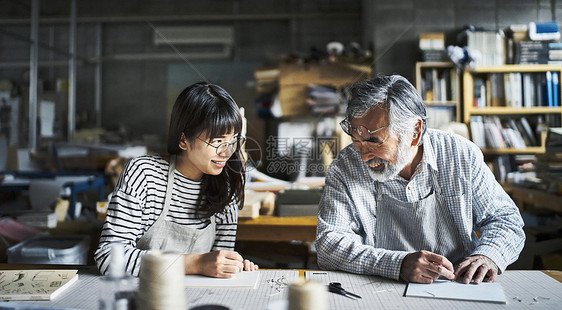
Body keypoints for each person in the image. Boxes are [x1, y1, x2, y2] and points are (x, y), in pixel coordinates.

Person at [316, 74, 525, 284]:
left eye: (374, 142)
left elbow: (506, 219)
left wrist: (487, 255)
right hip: (379, 287)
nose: (363, 156)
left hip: (458, 286)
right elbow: (329, 243)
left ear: (415, 131)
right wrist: (396, 264)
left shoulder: (460, 155)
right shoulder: (346, 167)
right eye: (357, 142)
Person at [95, 82, 258, 278]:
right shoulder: (144, 175)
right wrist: (195, 263)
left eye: (232, 141)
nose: (227, 152)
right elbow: (109, 258)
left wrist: (231, 266)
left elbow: (217, 267)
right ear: (183, 140)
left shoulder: (226, 187)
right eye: (217, 142)